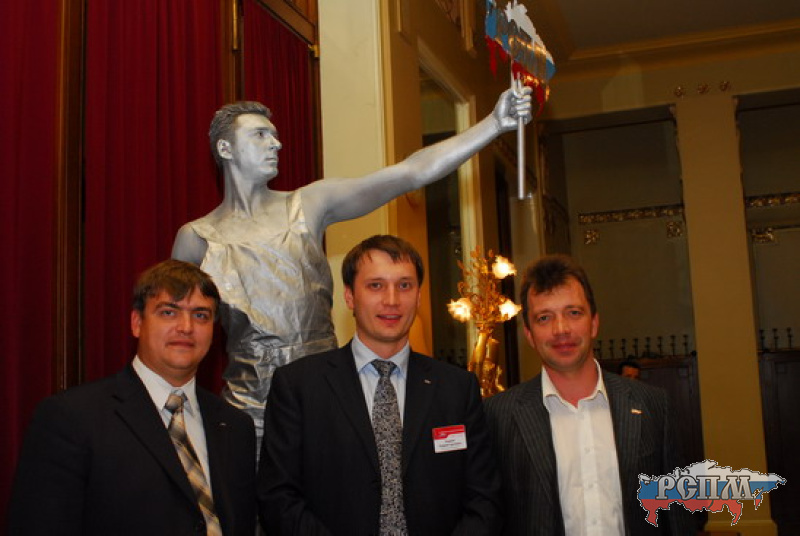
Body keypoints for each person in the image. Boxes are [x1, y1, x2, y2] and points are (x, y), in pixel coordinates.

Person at [171, 88, 533, 440]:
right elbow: (177, 336)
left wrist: (493, 124)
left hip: (325, 401)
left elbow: (410, 173)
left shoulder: (307, 205)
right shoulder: (198, 238)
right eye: (260, 135)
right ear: (225, 148)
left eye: (275, 135)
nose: (276, 144)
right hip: (247, 413)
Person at [257, 235, 500, 535]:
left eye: (404, 285)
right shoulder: (299, 386)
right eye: (375, 285)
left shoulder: (457, 388)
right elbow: (278, 498)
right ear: (349, 297)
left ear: (419, 296)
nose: (392, 300)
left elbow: (484, 498)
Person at [7, 260, 257, 536]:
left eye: (201, 315)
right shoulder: (71, 418)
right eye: (169, 312)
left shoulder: (236, 426)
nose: (186, 327)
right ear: (137, 323)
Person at [484, 254, 693, 535]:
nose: (561, 329)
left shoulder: (653, 405)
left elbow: (677, 515)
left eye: (573, 313)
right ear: (530, 335)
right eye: (544, 318)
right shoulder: (498, 416)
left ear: (594, 323)